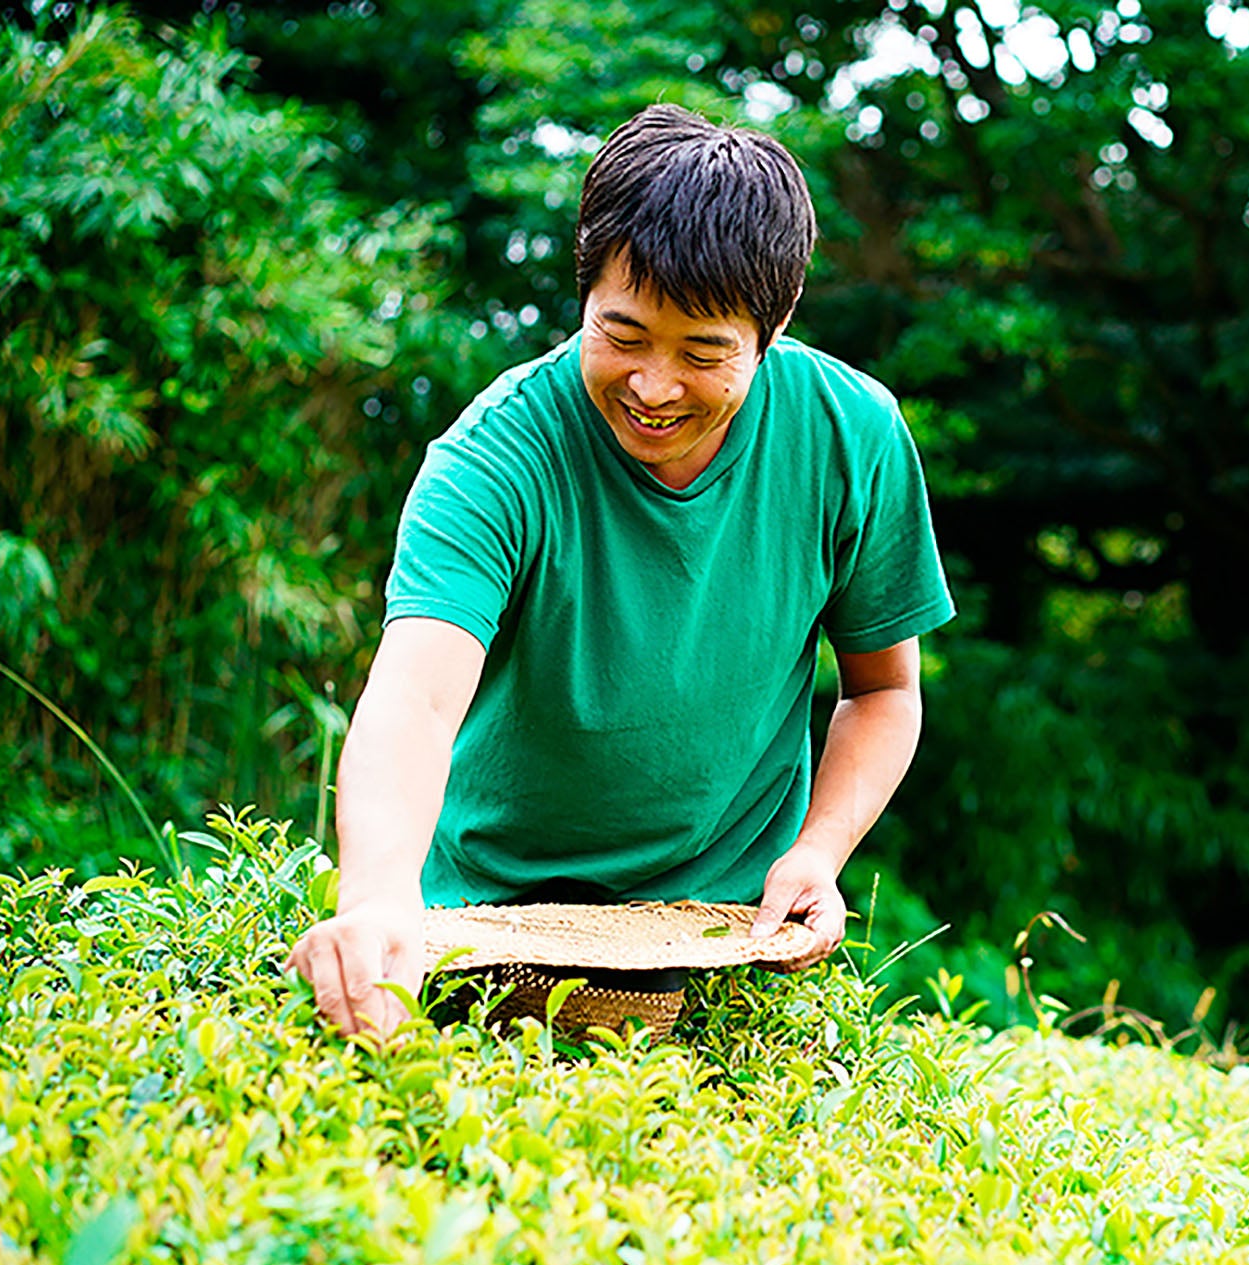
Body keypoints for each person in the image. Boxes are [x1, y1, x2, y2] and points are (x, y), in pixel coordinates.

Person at [287, 104, 954, 1039]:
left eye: (704, 352)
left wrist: (818, 850)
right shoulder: (495, 456)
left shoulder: (853, 436)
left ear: (775, 324)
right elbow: (416, 698)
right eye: (625, 335)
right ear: (584, 292)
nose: (653, 386)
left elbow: (883, 691)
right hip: (494, 917)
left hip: (724, 934)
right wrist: (377, 898)